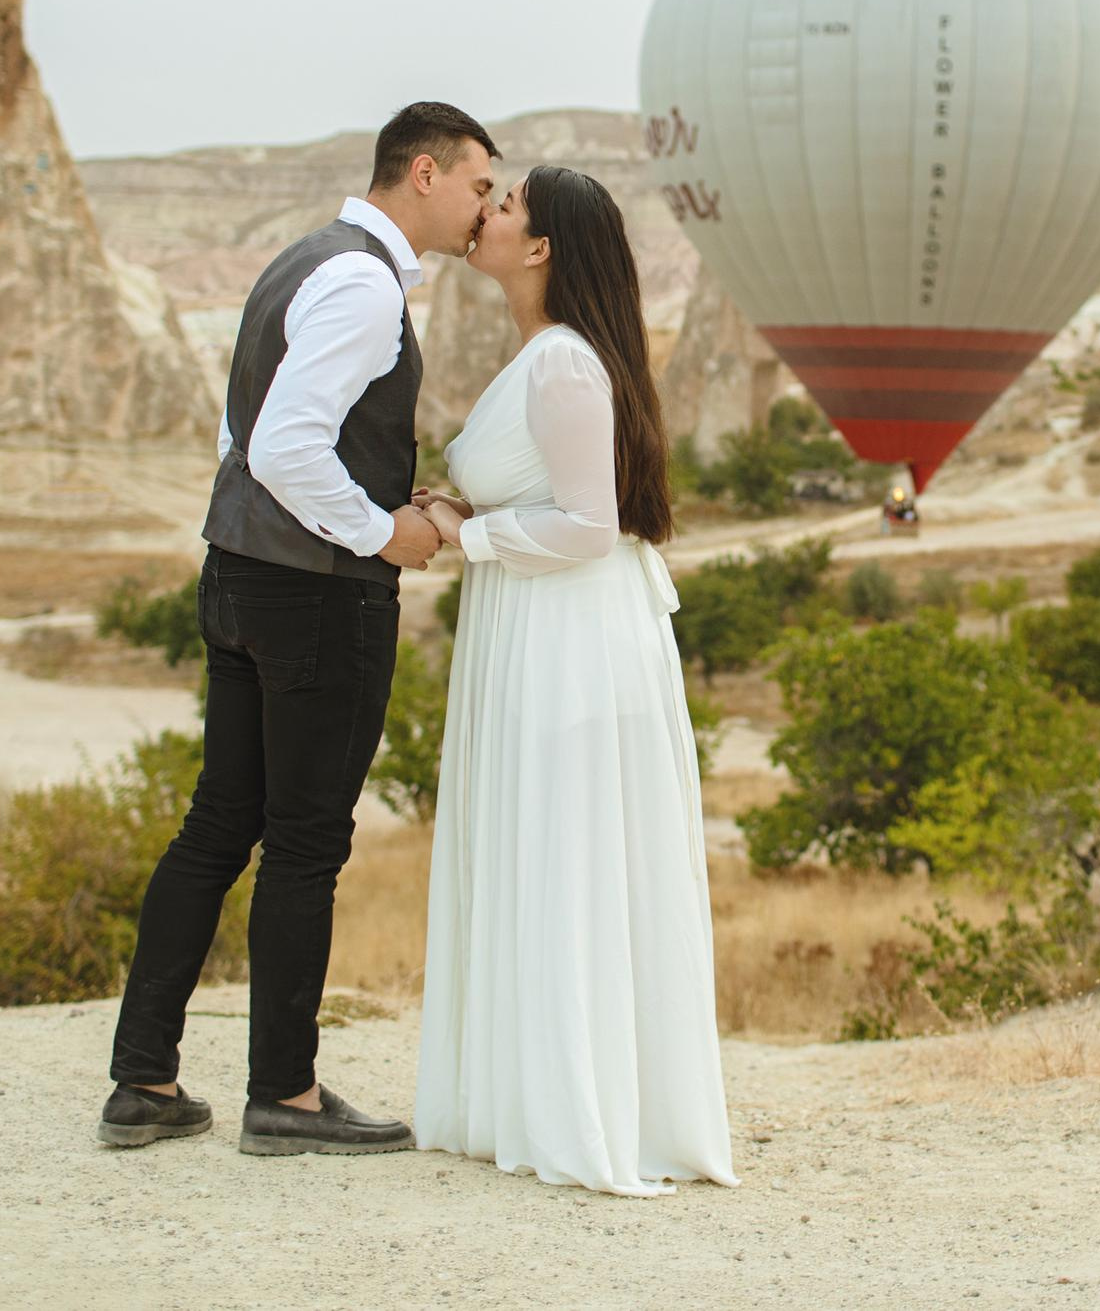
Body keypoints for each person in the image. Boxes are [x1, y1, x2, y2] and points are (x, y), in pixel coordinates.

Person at [97, 102, 498, 1156]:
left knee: (216, 825)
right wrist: (381, 532)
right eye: (474, 185)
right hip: (318, 597)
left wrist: (363, 496)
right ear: (423, 172)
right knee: (305, 844)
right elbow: (282, 444)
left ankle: (142, 1081)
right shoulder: (367, 284)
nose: (483, 208)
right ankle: (286, 1095)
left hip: (236, 576)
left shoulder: (298, 261)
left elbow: (243, 433)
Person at [411, 165, 737, 1196]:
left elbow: (592, 528)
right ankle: (540, 1091)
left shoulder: (562, 367)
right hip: (538, 622)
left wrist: (474, 533)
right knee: (548, 844)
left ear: (542, 245)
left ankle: (578, 1105)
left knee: (565, 844)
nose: (485, 214)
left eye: (503, 205)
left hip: (566, 635)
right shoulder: (545, 358)